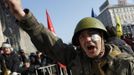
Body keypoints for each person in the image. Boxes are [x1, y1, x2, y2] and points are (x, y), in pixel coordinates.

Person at [6, 0, 134, 75]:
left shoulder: (125, 63)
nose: (87, 39)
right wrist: (21, 15)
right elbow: (49, 43)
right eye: (82, 37)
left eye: (91, 34)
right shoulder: (75, 58)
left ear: (102, 37)